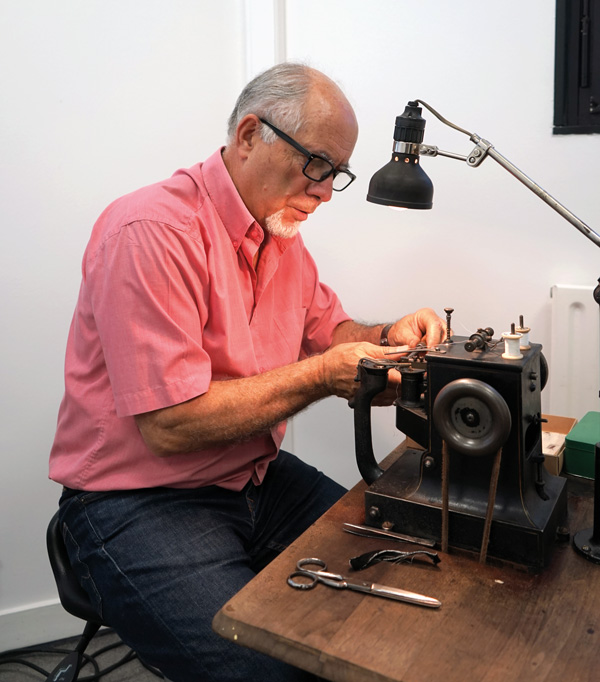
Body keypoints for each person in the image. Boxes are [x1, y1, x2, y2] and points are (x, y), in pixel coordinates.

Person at [49, 62, 444, 682]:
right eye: (317, 164)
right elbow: (172, 425)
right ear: (249, 134)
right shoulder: (151, 230)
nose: (323, 191)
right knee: (273, 670)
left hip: (253, 477)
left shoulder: (281, 237)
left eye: (336, 173)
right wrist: (321, 377)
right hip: (138, 500)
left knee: (400, 571)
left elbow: (332, 334)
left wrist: (387, 337)